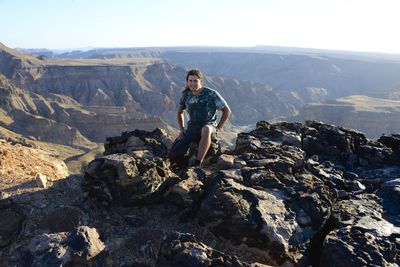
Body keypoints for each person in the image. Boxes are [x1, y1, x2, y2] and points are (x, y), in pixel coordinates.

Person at [169, 69, 231, 168]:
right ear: (187, 81)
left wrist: (218, 128)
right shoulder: (186, 95)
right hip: (192, 127)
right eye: (190, 81)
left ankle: (198, 162)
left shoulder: (211, 94)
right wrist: (181, 130)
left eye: (195, 81)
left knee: (206, 129)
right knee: (174, 153)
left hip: (209, 126)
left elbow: (227, 111)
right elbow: (180, 112)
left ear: (201, 81)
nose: (192, 83)